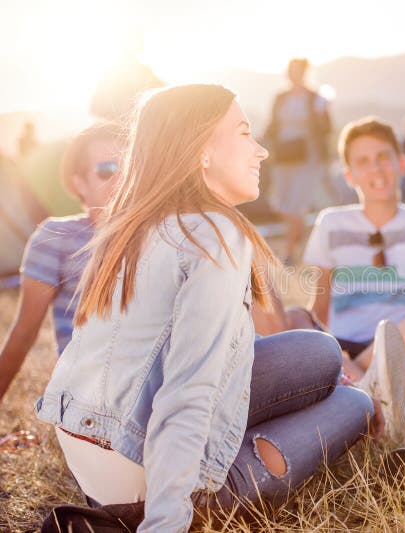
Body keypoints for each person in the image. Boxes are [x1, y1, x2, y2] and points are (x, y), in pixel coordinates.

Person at [35, 85, 376, 531]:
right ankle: (208, 489)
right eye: (244, 133)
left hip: (98, 462)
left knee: (322, 354)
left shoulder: (132, 224)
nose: (262, 151)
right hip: (152, 479)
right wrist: (164, 521)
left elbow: (195, 362)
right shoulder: (211, 234)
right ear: (202, 152)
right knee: (353, 405)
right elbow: (186, 392)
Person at [302, 116, 405, 392]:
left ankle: (362, 385)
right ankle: (370, 386)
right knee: (297, 321)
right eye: (363, 162)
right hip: (348, 348)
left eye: (382, 157)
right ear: (349, 175)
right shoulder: (330, 223)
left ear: (402, 164)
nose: (375, 168)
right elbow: (319, 307)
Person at [0, 122, 123, 404]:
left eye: (129, 170)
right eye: (107, 170)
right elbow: (24, 331)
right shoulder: (55, 237)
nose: (120, 181)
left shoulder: (159, 235)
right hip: (89, 398)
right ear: (79, 183)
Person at [264, 58, 331, 264]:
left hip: (307, 158)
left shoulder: (315, 97)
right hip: (284, 156)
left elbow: (327, 127)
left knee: (296, 205)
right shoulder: (280, 97)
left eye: (297, 71)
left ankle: (290, 251)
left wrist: (321, 116)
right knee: (280, 204)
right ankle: (300, 239)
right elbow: (272, 126)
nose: (293, 74)